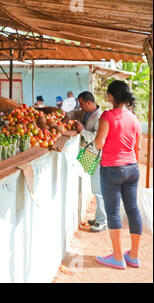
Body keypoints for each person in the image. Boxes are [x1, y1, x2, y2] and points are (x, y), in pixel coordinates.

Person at [94, 80, 142, 270]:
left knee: (113, 212)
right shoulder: (134, 119)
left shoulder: (107, 116)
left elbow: (99, 143)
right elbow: (137, 147)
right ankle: (134, 256)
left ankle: (117, 257)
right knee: (133, 210)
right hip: (132, 168)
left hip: (112, 169)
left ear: (111, 96)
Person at [65, 91, 106, 232]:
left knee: (98, 189)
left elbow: (97, 138)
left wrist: (82, 130)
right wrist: (67, 116)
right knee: (94, 187)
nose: (80, 107)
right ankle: (100, 217)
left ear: (89, 103)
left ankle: (102, 221)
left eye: (82, 104)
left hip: (97, 155)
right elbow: (75, 113)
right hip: (89, 154)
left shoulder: (100, 117)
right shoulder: (86, 113)